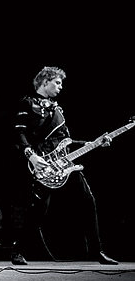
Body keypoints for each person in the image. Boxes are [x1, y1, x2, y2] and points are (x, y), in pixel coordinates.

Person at [10, 66, 118, 265]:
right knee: (38, 210)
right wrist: (31, 156)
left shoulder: (58, 109)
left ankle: (96, 250)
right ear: (45, 82)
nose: (60, 87)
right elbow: (19, 133)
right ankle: (17, 250)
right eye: (57, 83)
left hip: (65, 163)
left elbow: (66, 140)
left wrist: (91, 144)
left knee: (88, 200)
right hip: (43, 163)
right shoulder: (28, 103)